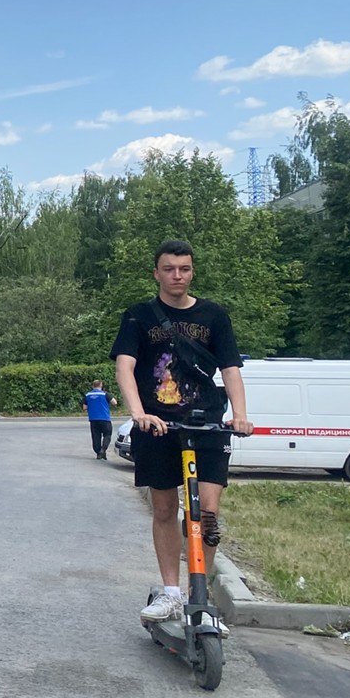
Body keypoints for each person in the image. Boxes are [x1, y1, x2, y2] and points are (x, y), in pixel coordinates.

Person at [111, 240, 252, 627]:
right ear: (156, 273)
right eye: (170, 269)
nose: (178, 276)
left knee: (207, 513)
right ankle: (172, 593)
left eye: (185, 269)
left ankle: (199, 597)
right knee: (164, 509)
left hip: (205, 422)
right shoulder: (139, 316)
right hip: (157, 425)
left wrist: (239, 414)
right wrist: (138, 413)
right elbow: (125, 367)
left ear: (192, 272)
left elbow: (230, 368)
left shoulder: (213, 315)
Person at [84, 379, 116, 459]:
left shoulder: (87, 395)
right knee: (107, 435)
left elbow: (84, 407)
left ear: (93, 386)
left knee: (96, 436)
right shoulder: (105, 394)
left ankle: (98, 453)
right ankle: (103, 449)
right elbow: (114, 402)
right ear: (101, 385)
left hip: (93, 419)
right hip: (105, 418)